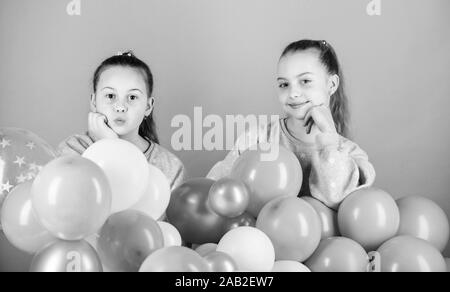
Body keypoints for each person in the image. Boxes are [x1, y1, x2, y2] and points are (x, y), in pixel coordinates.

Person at [208, 39, 375, 209]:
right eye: (284, 84)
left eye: (305, 81)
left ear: (331, 84)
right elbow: (214, 190)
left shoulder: (350, 154)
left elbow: (338, 200)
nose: (293, 93)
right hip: (260, 234)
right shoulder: (257, 140)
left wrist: (329, 138)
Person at [59, 51, 185, 190]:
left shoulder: (170, 167)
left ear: (148, 107)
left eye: (132, 97)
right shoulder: (73, 150)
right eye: (110, 95)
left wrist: (113, 145)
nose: (120, 107)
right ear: (94, 102)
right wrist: (108, 145)